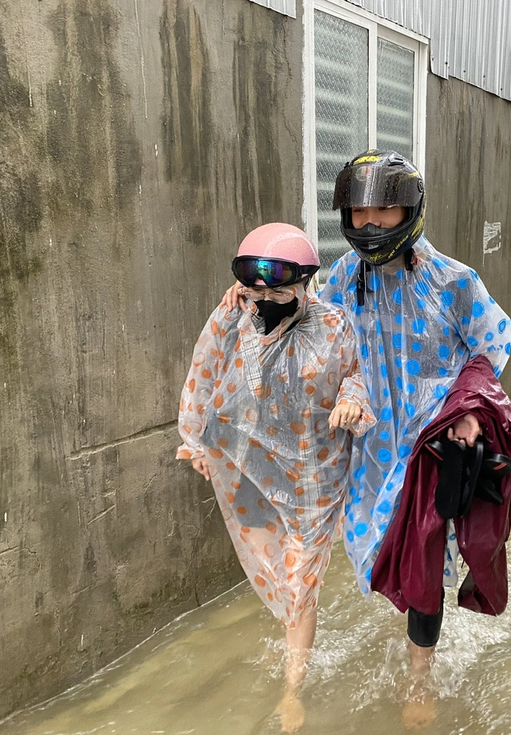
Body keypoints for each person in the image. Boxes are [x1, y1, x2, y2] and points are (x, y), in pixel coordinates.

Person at [220, 150, 511, 728]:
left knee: (426, 560)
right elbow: (298, 317)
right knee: (377, 556)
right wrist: (250, 295)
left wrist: (470, 410)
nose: (372, 222)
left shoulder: (454, 283)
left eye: (385, 209)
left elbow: (492, 348)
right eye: (360, 212)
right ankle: (329, 668)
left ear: (409, 211)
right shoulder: (338, 281)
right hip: (365, 449)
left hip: (430, 445)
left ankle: (418, 676)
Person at [178, 223, 375, 732]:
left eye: (279, 287)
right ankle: (296, 644)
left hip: (316, 474)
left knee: (299, 584)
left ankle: (292, 693)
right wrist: (196, 440)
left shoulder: (333, 325)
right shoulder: (234, 316)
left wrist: (353, 400)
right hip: (256, 466)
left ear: (306, 280)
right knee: (278, 577)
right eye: (254, 286)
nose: (265, 297)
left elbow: (356, 373)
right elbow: (204, 373)